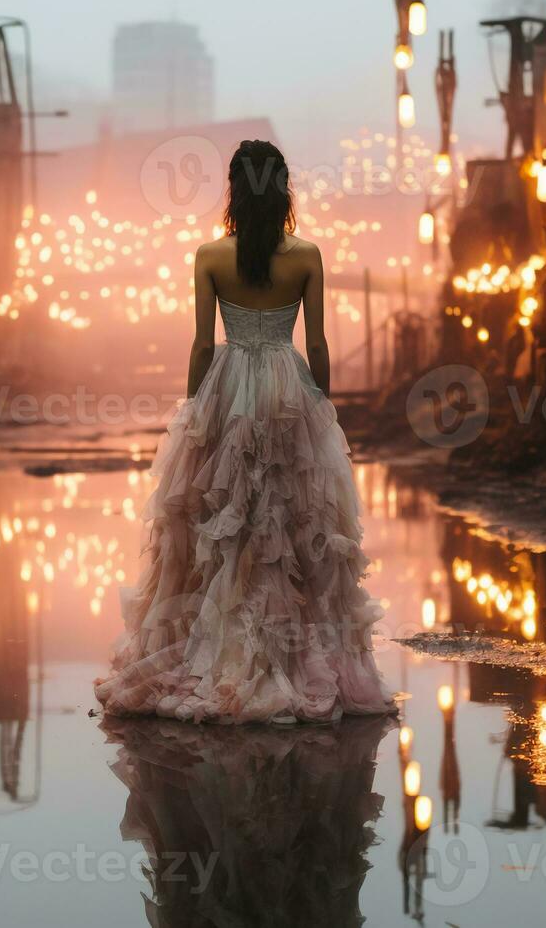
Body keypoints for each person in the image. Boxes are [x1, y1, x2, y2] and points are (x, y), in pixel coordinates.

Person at [94, 139, 394, 724]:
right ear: (283, 188)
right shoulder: (307, 255)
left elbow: (204, 344)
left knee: (222, 523)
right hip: (287, 385)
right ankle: (295, 652)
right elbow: (319, 344)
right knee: (292, 520)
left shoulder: (210, 255)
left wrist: (195, 411)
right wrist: (323, 411)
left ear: (233, 188)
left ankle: (219, 653)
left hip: (229, 385)